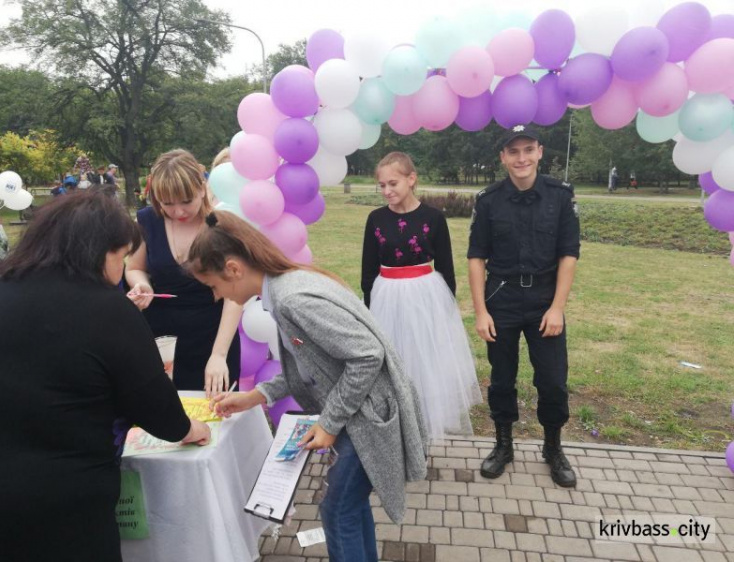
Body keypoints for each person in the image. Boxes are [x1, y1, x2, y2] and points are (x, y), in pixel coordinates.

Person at [189, 211, 428, 562]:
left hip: (370, 418)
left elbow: (366, 356)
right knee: (345, 505)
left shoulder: (292, 298)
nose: (215, 296)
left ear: (233, 268)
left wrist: (329, 423)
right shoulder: (283, 288)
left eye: (213, 286)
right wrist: (256, 396)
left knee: (338, 509)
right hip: (359, 415)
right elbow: (312, 366)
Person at [0, 192, 211, 562]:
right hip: (70, 499)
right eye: (121, 257)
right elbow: (156, 406)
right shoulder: (108, 309)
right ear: (98, 251)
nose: (121, 270)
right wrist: (190, 428)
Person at [467, 125, 580, 488]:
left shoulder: (560, 197)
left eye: (528, 150)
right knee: (501, 378)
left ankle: (553, 447)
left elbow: (568, 254)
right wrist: (481, 311)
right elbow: (476, 258)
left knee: (552, 381)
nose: (521, 158)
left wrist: (558, 307)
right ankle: (503, 445)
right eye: (513, 152)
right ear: (503, 157)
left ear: (540, 152)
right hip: (502, 299)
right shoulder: (488, 200)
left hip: (545, 301)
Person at [361, 152, 482, 441]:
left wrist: (446, 310)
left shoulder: (433, 218)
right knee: (393, 362)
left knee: (425, 362)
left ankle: (422, 431)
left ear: (411, 179)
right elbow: (367, 269)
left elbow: (446, 267)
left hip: (425, 296)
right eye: (382, 185)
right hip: (387, 296)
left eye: (393, 183)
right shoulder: (375, 219)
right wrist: (368, 312)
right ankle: (396, 430)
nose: (387, 191)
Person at [125, 149, 242, 396]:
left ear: (202, 188)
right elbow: (134, 268)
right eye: (167, 204)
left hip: (212, 338)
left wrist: (219, 355)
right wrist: (142, 285)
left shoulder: (222, 224)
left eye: (186, 201)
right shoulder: (147, 221)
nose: (178, 212)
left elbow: (235, 294)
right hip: (160, 342)